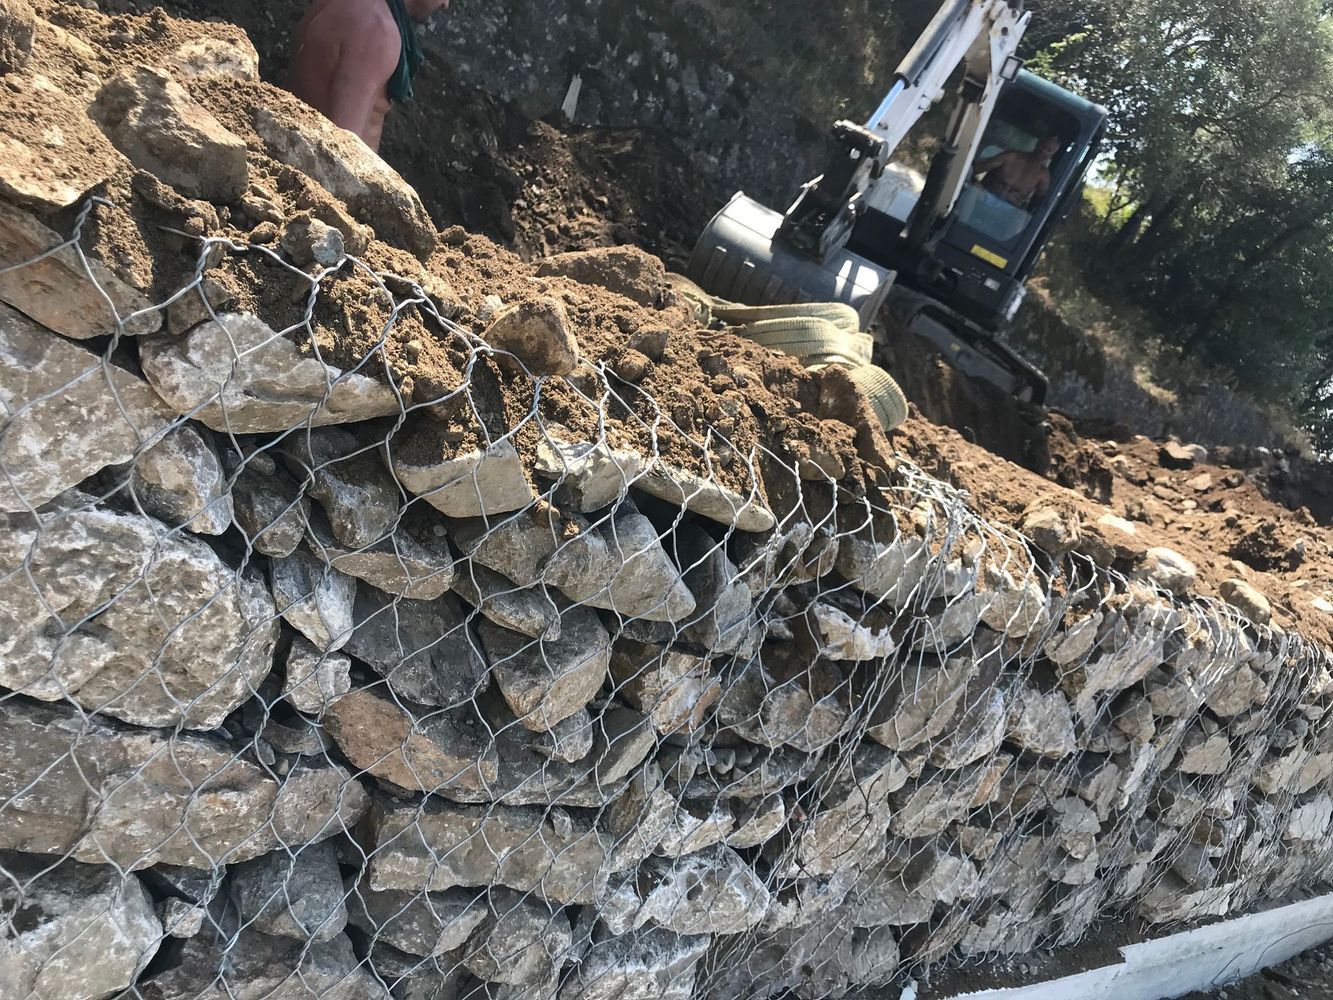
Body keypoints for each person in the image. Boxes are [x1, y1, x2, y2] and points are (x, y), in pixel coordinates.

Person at [289, 0, 450, 151]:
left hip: (295, 145)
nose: (445, 4)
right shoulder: (377, 30)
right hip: (312, 163)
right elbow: (340, 149)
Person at [972, 135, 1062, 207]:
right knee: (974, 189)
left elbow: (1042, 202)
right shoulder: (1011, 157)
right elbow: (978, 169)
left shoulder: (1044, 176)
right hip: (986, 196)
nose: (1043, 151)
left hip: (1011, 210)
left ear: (1052, 154)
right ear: (1037, 144)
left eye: (1049, 150)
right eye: (1043, 146)